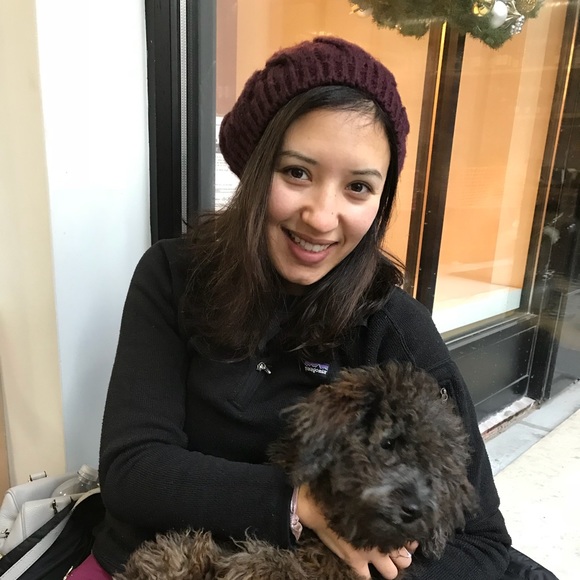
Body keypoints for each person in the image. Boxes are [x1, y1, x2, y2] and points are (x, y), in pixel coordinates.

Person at [69, 36, 512, 579]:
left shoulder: (395, 329)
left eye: (358, 187)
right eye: (297, 173)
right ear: (257, 168)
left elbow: (481, 542)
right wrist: (301, 504)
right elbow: (133, 469)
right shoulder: (173, 275)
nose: (321, 218)